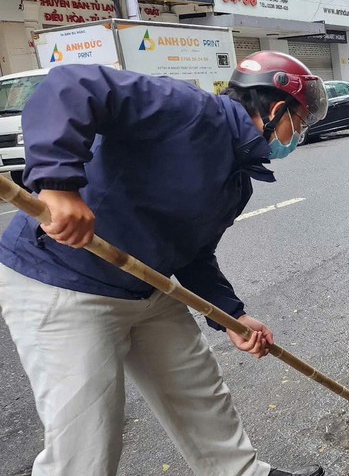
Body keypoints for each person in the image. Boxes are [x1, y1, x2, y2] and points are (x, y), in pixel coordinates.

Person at [0, 53, 329, 476]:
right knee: (86, 439)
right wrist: (58, 186)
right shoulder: (187, 108)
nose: (298, 135)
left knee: (199, 392)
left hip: (146, 285)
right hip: (62, 277)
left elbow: (193, 253)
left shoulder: (237, 181)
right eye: (299, 122)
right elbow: (72, 86)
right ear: (276, 109)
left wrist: (232, 315)